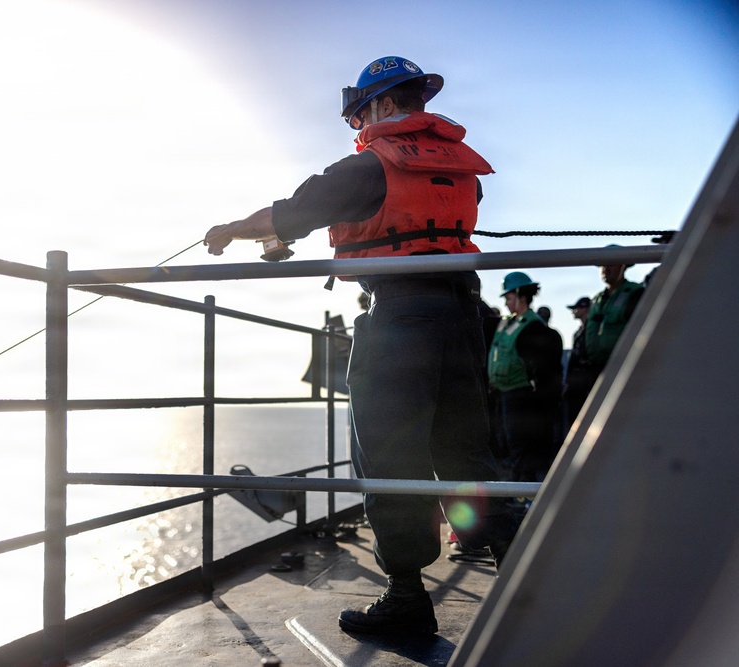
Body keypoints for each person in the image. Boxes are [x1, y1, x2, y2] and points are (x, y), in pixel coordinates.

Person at [204, 55, 517, 637]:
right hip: (463, 312)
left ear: (384, 106)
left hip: (400, 316)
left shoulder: (372, 165)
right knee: (464, 449)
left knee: (387, 454)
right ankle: (528, 579)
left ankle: (405, 601)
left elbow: (291, 212)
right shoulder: (461, 169)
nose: (358, 129)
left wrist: (228, 230)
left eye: (359, 117)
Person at [488, 272, 564, 485]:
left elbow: (544, 371)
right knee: (508, 444)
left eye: (509, 297)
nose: (506, 302)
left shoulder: (534, 328)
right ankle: (516, 486)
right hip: (503, 394)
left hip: (520, 397)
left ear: (521, 295)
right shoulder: (508, 323)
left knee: (521, 445)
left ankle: (522, 491)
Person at [586, 257, 645, 371]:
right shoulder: (596, 300)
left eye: (611, 264)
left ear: (623, 267)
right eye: (603, 265)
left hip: (623, 367)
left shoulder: (636, 293)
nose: (605, 269)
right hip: (595, 368)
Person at [563, 296, 593, 430]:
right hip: (576, 383)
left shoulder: (592, 331)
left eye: (576, 308)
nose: (573, 311)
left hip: (587, 380)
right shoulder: (577, 333)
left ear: (585, 309)